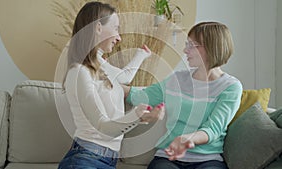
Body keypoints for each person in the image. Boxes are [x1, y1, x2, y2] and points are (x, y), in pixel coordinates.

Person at [57, 2, 165, 169]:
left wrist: (141, 55)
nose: (119, 37)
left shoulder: (100, 65)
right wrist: (137, 116)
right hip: (86, 159)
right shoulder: (79, 72)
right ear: (98, 28)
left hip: (106, 160)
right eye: (115, 28)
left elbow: (125, 77)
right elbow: (101, 126)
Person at [124, 21, 243, 169]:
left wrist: (186, 139)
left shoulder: (230, 87)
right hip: (167, 158)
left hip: (208, 160)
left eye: (192, 45)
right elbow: (141, 97)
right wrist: (108, 85)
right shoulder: (177, 79)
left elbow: (213, 129)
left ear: (212, 47)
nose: (185, 50)